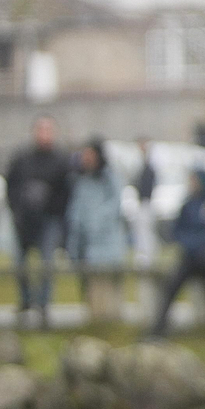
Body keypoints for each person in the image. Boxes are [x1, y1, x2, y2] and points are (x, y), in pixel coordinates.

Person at [150, 168, 205, 336]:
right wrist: (192, 243)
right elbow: (176, 231)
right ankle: (159, 325)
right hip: (190, 258)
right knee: (171, 284)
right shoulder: (188, 205)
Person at [5, 115, 72, 328]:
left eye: (48, 129)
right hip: (24, 220)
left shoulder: (61, 160)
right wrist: (18, 207)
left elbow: (66, 192)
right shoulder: (22, 158)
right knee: (20, 263)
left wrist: (52, 208)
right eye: (41, 129)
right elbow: (10, 185)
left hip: (49, 219)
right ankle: (25, 301)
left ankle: (43, 305)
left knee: (46, 262)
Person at [65, 138, 129, 322]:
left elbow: (114, 206)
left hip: (108, 245)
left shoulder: (110, 179)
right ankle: (96, 323)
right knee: (92, 291)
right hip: (85, 247)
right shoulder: (80, 181)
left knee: (109, 289)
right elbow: (75, 213)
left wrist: (95, 222)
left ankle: (111, 322)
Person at [132, 137, 159, 269]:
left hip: (147, 201)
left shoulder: (150, 164)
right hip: (141, 201)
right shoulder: (139, 162)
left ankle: (148, 256)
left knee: (146, 229)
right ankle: (143, 255)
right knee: (141, 229)